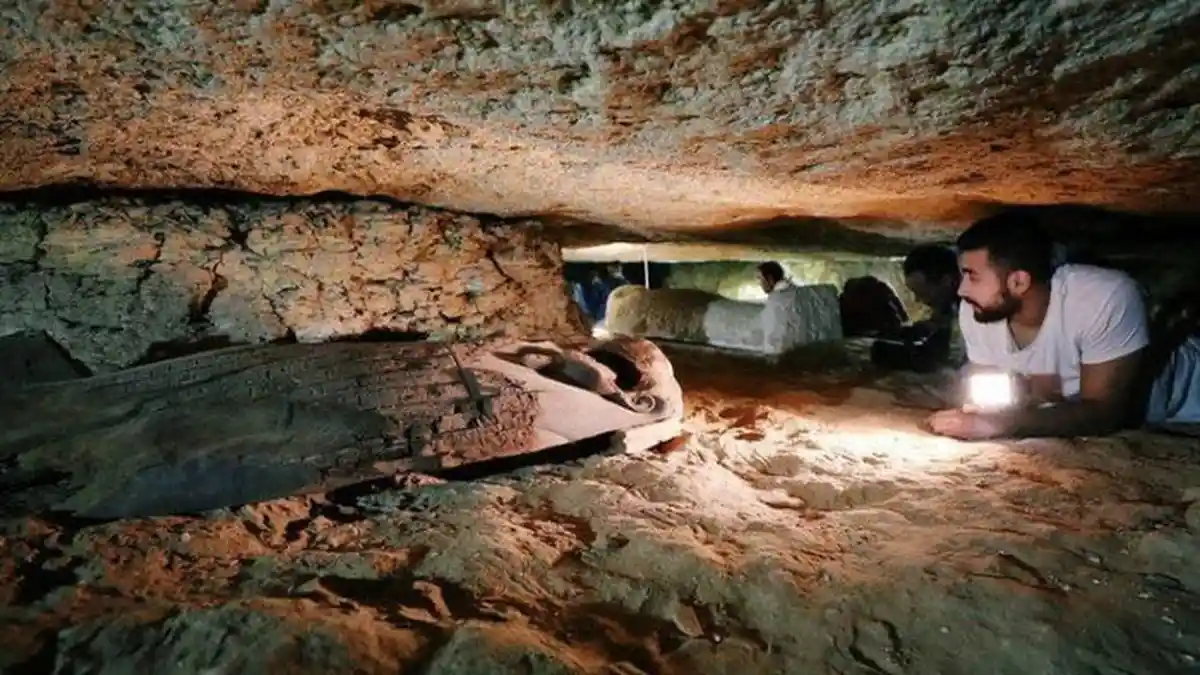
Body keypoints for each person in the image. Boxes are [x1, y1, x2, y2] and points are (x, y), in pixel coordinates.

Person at [925, 210, 1200, 440]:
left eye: (972, 277)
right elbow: (993, 395)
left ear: (1018, 282)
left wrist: (1001, 424)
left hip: (1186, 400)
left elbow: (1105, 413)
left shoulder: (1100, 297)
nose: (961, 290)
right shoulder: (978, 311)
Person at [870, 245, 961, 372]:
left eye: (924, 293)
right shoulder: (948, 303)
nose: (917, 300)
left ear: (946, 281)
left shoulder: (974, 307)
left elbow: (939, 358)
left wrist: (877, 351)